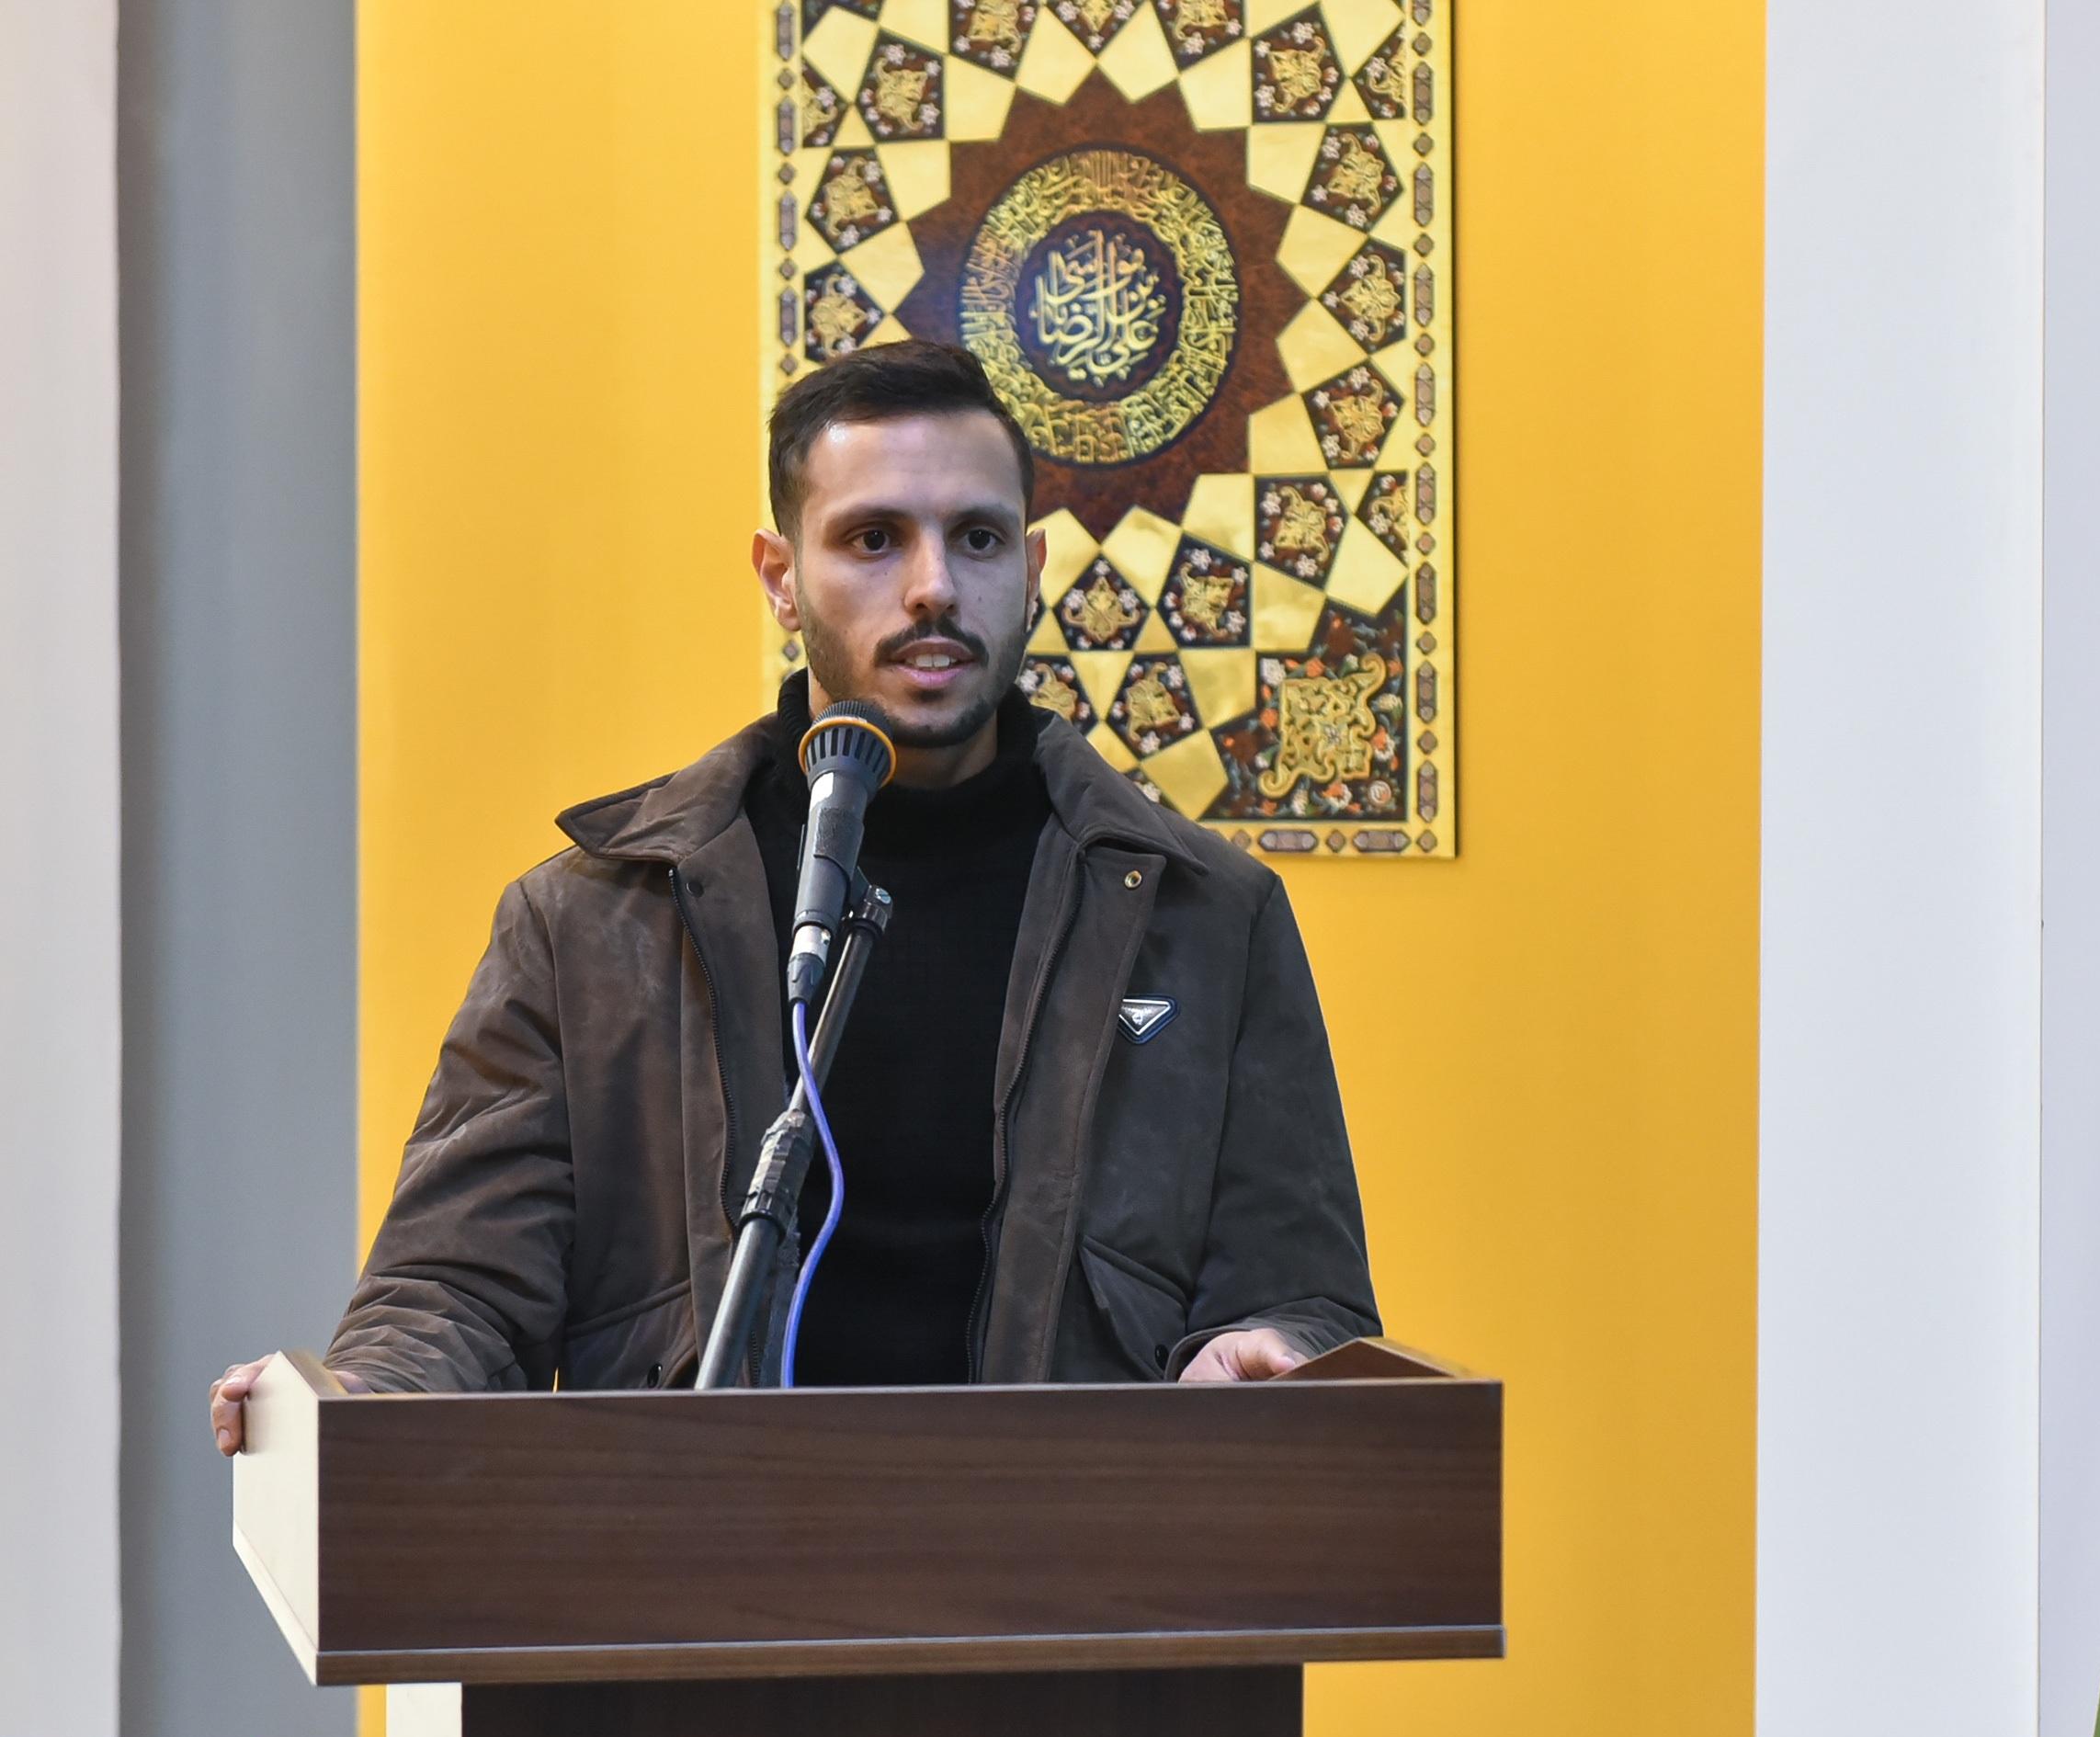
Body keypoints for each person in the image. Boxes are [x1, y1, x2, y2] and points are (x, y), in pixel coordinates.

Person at [212, 339, 1379, 1454]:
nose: (933, 587)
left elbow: (1305, 1294)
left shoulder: (1205, 918)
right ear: (781, 577)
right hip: (695, 1561)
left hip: (1070, 1559)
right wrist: (353, 1400)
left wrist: (1273, 1349)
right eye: (873, 539)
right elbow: (458, 1286)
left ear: (1031, 570)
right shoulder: (591, 920)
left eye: (976, 538)